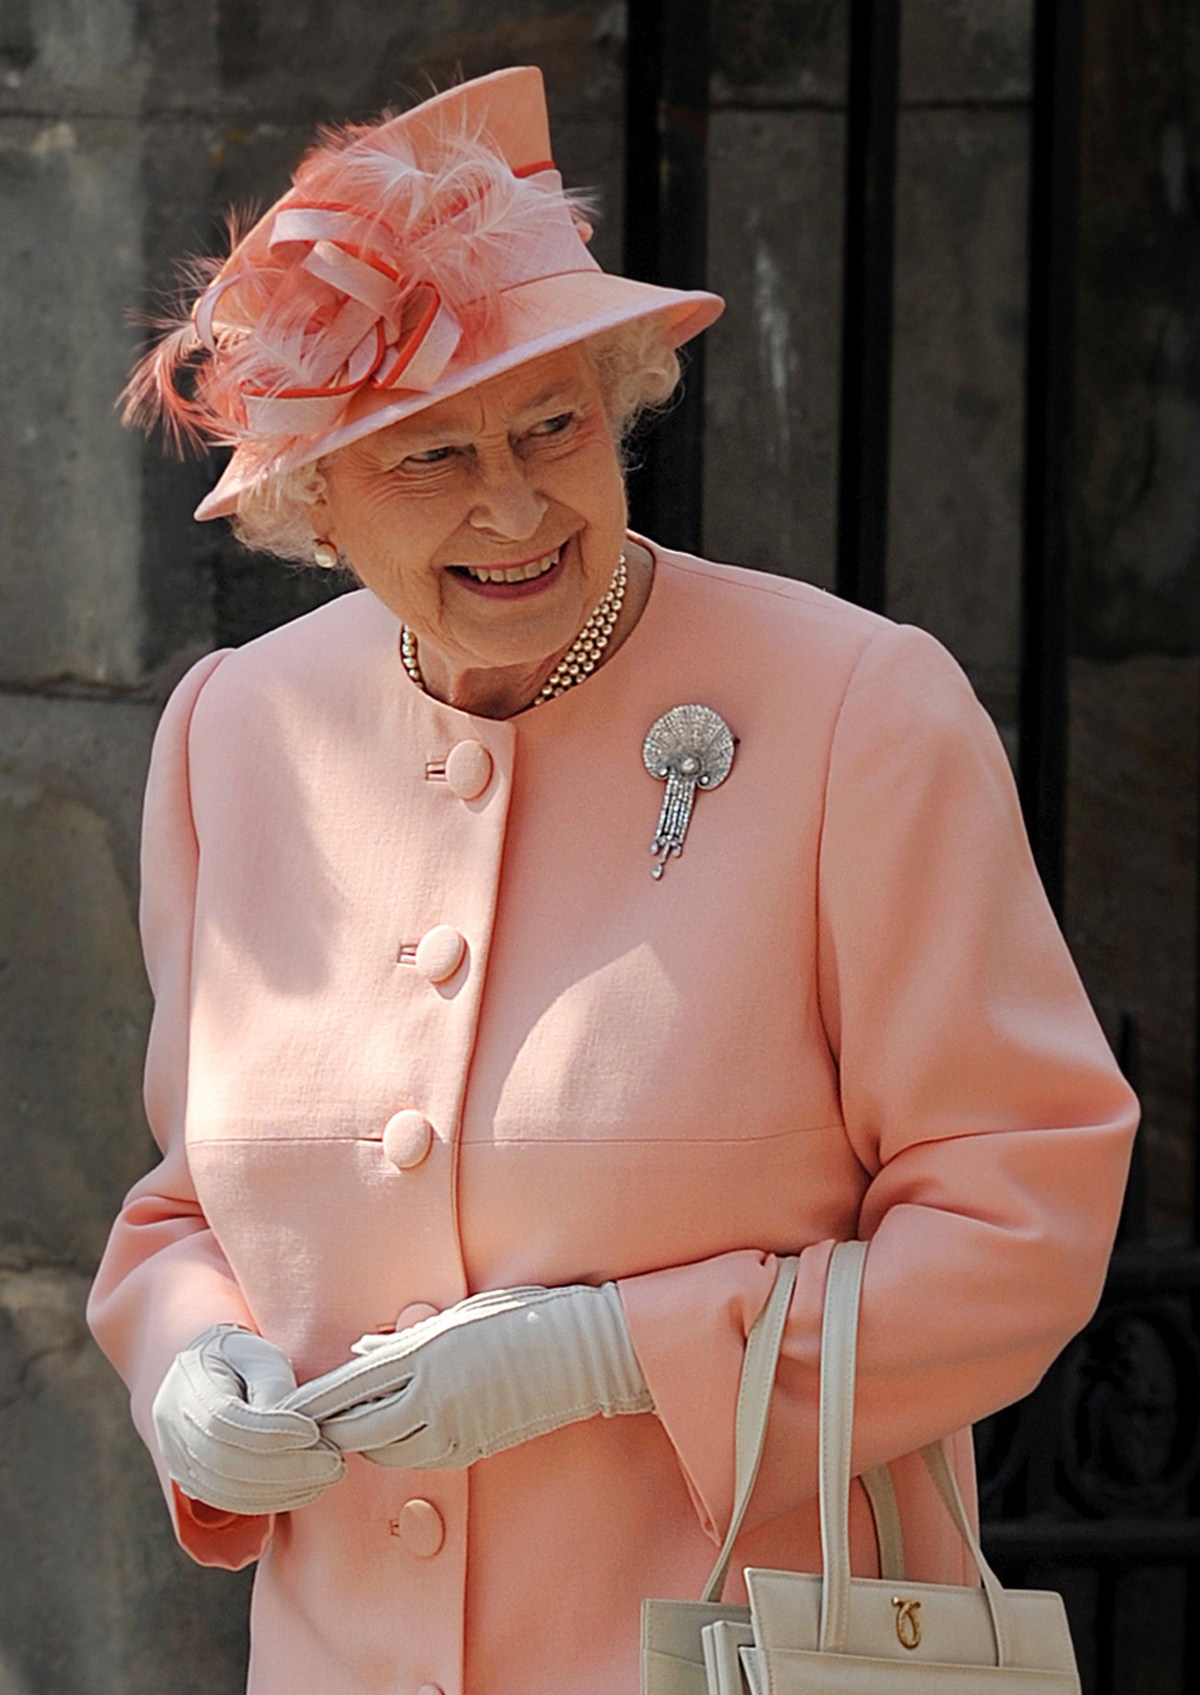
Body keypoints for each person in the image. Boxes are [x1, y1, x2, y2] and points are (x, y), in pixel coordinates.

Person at [88, 64, 1138, 1695]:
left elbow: (1027, 1216)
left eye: (554, 424)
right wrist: (186, 1358)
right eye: (428, 457)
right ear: (313, 502)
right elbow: (189, 1206)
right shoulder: (237, 735)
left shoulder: (860, 710)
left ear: (621, 397)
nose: (514, 505)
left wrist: (619, 1356)